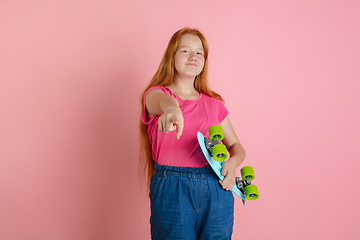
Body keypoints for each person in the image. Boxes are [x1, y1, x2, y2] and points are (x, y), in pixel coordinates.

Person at [139, 27, 246, 240]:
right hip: (173, 187)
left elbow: (237, 147)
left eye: (199, 53)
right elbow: (163, 102)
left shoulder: (214, 103)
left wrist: (232, 165)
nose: (193, 57)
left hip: (216, 187)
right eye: (185, 51)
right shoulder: (156, 95)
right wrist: (171, 110)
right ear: (172, 56)